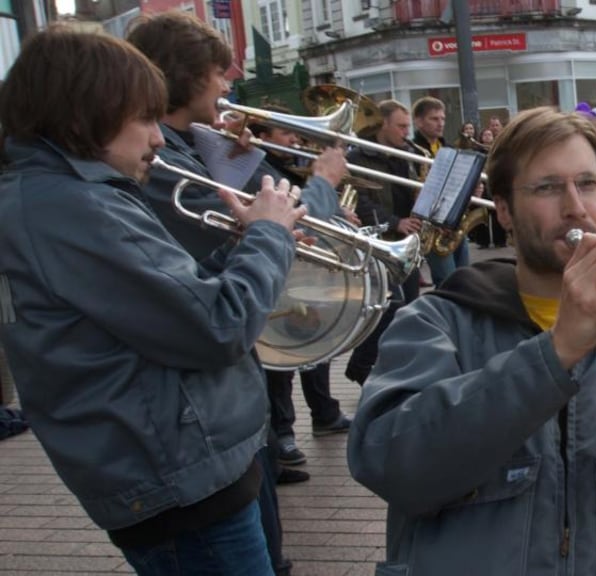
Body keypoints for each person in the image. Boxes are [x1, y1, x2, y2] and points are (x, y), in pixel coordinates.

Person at [347, 106, 596, 574]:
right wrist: (555, 354)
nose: (575, 206)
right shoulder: (435, 322)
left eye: (588, 184)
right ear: (505, 211)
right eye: (548, 187)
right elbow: (390, 463)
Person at [0, 28, 305, 575]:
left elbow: (169, 305)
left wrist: (240, 245)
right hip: (180, 485)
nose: (158, 139)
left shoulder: (65, 197)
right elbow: (217, 326)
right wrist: (269, 238)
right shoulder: (75, 209)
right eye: (143, 118)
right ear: (88, 112)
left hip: (176, 474)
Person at [127, 12, 319, 574]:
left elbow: (234, 222)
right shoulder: (155, 163)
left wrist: (235, 163)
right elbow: (218, 266)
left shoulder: (184, 146)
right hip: (195, 437)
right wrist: (323, 187)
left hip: (224, 416)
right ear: (183, 76)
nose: (228, 85)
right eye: (218, 72)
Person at [247, 107, 356, 473]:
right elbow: (302, 213)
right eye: (285, 133)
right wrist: (323, 182)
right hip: (276, 275)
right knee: (278, 359)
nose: (294, 140)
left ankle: (318, 414)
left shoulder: (282, 167)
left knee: (311, 341)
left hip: (295, 268)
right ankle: (281, 434)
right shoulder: (256, 169)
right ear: (263, 136)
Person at [344, 99, 422, 386]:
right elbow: (360, 199)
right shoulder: (357, 157)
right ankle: (361, 364)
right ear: (383, 124)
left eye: (408, 126)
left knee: (409, 309)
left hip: (406, 241)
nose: (406, 132)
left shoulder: (408, 154)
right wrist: (393, 221)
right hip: (379, 241)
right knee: (386, 310)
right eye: (401, 126)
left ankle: (396, 368)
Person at [413, 96, 469, 286]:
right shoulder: (413, 151)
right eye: (434, 119)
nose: (440, 123)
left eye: (443, 119)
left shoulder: (448, 148)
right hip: (433, 228)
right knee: (448, 282)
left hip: (454, 224)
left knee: (465, 279)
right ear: (419, 121)